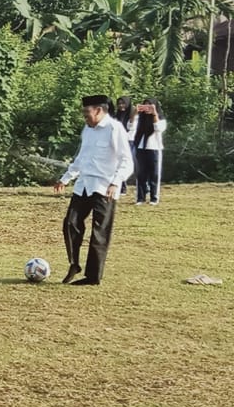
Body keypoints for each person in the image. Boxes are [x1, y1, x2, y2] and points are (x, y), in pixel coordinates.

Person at [53, 95, 134, 286]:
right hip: (83, 185)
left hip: (104, 187)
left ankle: (92, 276)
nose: (85, 117)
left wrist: (116, 182)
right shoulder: (87, 130)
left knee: (100, 232)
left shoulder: (115, 129)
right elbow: (81, 157)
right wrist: (65, 178)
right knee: (70, 223)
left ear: (99, 110)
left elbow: (126, 161)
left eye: (87, 113)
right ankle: (74, 263)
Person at [130, 101, 167, 205]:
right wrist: (134, 113)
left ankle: (154, 198)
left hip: (154, 147)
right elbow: (130, 127)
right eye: (145, 105)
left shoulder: (161, 119)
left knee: (154, 174)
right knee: (141, 174)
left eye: (149, 106)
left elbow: (158, 128)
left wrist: (154, 113)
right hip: (140, 147)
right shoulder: (140, 118)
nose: (147, 108)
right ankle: (140, 198)